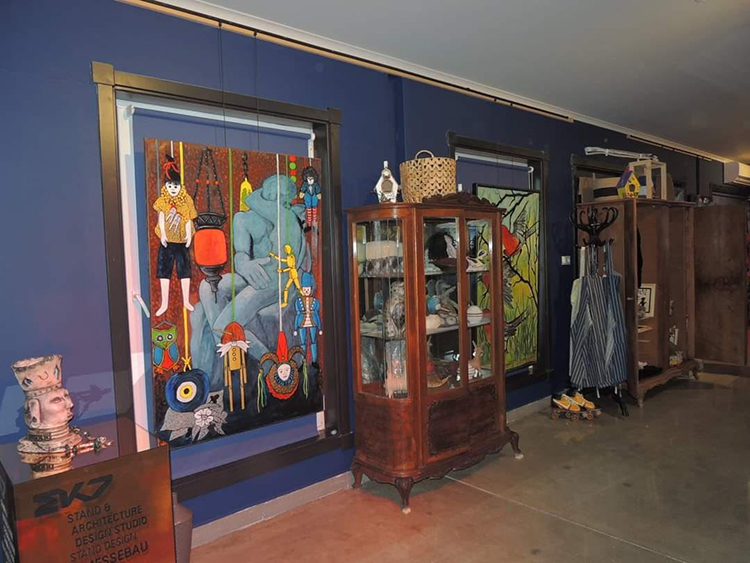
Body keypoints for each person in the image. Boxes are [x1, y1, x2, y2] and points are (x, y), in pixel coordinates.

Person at [153, 154, 197, 316]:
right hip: (166, 241)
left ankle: (186, 300)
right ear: (166, 186)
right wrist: (163, 235)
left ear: (180, 186)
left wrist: (189, 236)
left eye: (176, 185)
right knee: (164, 271)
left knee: (184, 270)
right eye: (170, 185)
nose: (173, 188)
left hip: (182, 241)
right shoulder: (163, 200)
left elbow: (188, 220)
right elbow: (161, 218)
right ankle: (164, 303)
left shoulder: (186, 200)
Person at [298, 166, 321, 232]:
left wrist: (318, 194)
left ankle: (314, 224)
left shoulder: (315, 184)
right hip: (307, 197)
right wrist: (302, 193)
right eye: (309, 178)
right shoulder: (305, 184)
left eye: (311, 178)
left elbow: (318, 190)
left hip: (314, 198)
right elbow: (303, 190)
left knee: (314, 211)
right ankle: (309, 224)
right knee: (308, 211)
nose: (310, 179)